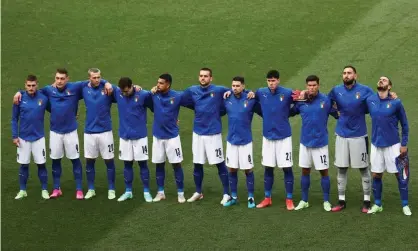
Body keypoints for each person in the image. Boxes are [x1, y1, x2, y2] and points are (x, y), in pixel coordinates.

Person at [12, 68, 112, 199]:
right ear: (55, 78)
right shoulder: (48, 90)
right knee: (55, 160)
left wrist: (106, 83)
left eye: (62, 78)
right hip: (55, 132)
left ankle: (79, 189)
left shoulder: (75, 87)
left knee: (75, 160)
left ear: (67, 79)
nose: (59, 81)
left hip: (71, 131)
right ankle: (56, 188)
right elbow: (32, 91)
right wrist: (18, 92)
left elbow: (93, 80)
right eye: (57, 78)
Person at [327, 66, 375, 212]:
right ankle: (341, 201)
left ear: (355, 75)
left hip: (359, 135)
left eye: (349, 73)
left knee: (363, 168)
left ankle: (367, 201)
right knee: (341, 168)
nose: (346, 75)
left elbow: (375, 101)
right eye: (344, 73)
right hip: (341, 135)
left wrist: (391, 95)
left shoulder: (365, 90)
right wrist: (336, 114)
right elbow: (326, 103)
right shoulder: (336, 90)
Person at [289, 75, 339, 211]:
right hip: (305, 142)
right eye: (309, 85)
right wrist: (293, 99)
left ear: (318, 85)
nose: (311, 88)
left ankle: (326, 201)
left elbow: (338, 114)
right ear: (306, 86)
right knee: (305, 171)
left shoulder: (326, 100)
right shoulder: (301, 101)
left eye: (314, 85)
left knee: (324, 172)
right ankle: (304, 200)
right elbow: (289, 112)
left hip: (321, 143)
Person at [184, 68, 232, 204]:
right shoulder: (192, 90)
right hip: (198, 133)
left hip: (213, 133)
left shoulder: (219, 90)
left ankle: (226, 193)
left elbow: (236, 92)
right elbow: (178, 99)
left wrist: (249, 93)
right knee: (197, 163)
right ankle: (198, 192)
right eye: (201, 76)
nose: (203, 78)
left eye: (206, 76)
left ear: (211, 78)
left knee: (219, 163)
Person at [250, 70, 295, 210]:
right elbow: (249, 96)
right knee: (268, 167)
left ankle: (289, 199)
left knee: (287, 167)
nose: (271, 83)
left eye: (274, 80)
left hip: (284, 137)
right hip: (268, 137)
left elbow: (301, 100)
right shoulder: (261, 92)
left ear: (279, 80)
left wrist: (288, 114)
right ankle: (267, 198)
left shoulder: (287, 93)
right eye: (269, 81)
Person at [365, 76, 411, 216]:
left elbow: (405, 124)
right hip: (376, 144)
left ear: (389, 86)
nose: (381, 81)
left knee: (400, 175)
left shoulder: (396, 102)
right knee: (376, 174)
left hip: (393, 145)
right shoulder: (370, 99)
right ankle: (378, 204)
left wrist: (404, 143)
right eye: (379, 79)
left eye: (384, 80)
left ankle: (405, 205)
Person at [149, 73, 190, 203]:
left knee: (176, 164)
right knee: (159, 164)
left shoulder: (177, 96)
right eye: (158, 82)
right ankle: (160, 192)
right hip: (157, 137)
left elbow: (194, 102)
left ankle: (181, 193)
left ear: (168, 84)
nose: (158, 85)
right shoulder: (154, 95)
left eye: (161, 83)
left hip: (172, 137)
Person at [221, 76, 262, 208]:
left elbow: (264, 108)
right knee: (232, 168)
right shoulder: (227, 98)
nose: (235, 88)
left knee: (248, 169)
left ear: (243, 86)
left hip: (245, 141)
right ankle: (233, 197)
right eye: (233, 86)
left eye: (238, 86)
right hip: (231, 140)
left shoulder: (250, 98)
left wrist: (253, 93)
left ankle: (250, 197)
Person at [113, 77, 153, 202]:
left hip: (140, 136)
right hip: (124, 136)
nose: (125, 94)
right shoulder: (118, 93)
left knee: (142, 164)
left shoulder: (144, 95)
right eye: (123, 92)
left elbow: (156, 107)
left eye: (127, 91)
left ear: (132, 86)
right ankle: (128, 191)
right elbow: (101, 81)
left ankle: (146, 191)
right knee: (127, 164)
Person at [81, 68, 118, 200]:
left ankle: (112, 189)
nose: (97, 80)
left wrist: (107, 82)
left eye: (99, 77)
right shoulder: (83, 87)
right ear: (89, 78)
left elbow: (125, 92)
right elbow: (67, 89)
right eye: (94, 77)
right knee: (90, 161)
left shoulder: (108, 88)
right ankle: (91, 189)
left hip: (105, 131)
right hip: (89, 132)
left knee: (109, 161)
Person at [12, 75, 49, 200]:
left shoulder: (44, 98)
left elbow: (56, 107)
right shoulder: (20, 99)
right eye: (29, 85)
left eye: (33, 85)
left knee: (41, 164)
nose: (31, 88)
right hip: (23, 138)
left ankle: (44, 189)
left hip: (39, 138)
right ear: (25, 85)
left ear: (37, 85)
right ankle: (23, 190)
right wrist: (14, 136)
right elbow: (14, 118)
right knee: (23, 165)